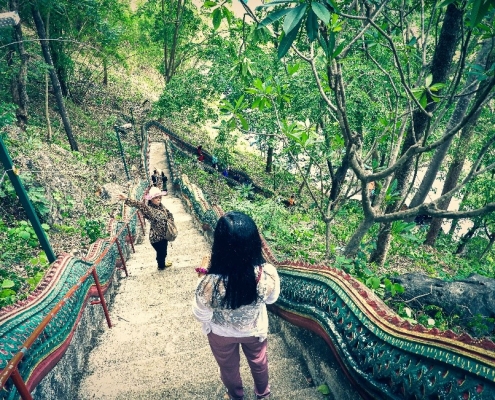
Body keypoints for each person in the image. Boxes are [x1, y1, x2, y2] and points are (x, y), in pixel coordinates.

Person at [192, 211, 280, 400]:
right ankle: (263, 393)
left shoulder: (209, 283)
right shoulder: (268, 273)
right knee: (259, 362)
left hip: (221, 333)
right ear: (254, 242)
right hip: (254, 330)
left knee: (228, 368)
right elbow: (271, 300)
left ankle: (236, 396)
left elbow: (202, 314)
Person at [118, 187, 172, 269]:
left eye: (159, 197)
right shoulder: (148, 209)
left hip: (164, 235)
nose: (158, 199)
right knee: (161, 252)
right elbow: (139, 205)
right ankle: (161, 266)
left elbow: (168, 214)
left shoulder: (161, 206)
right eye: (156, 197)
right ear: (151, 199)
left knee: (163, 251)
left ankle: (162, 262)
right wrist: (126, 199)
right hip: (156, 238)